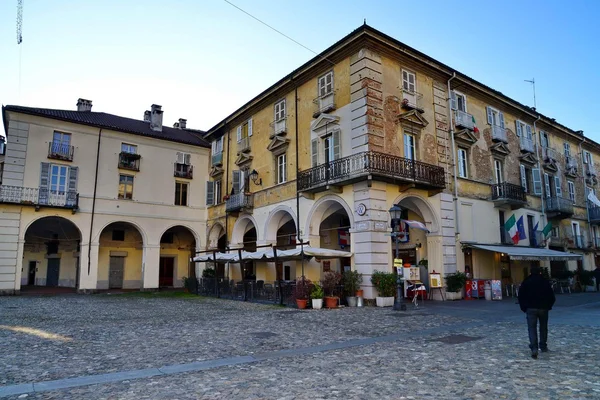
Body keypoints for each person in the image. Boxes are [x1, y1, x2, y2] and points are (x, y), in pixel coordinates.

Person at [518, 266, 556, 359]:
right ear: (540, 273)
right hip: (543, 308)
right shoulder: (544, 282)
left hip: (530, 308)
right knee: (543, 327)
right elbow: (551, 296)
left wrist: (524, 308)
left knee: (532, 328)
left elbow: (521, 296)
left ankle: (534, 347)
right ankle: (543, 346)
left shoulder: (526, 282)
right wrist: (548, 306)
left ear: (530, 273)